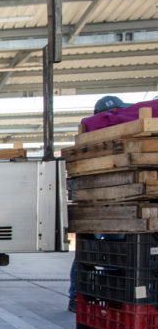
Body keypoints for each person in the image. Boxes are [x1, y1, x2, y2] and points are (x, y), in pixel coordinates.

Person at [69, 95, 128, 312]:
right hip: (109, 208)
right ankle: (108, 294)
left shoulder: (88, 138)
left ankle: (77, 297)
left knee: (88, 255)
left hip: (93, 208)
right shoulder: (116, 140)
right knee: (114, 252)